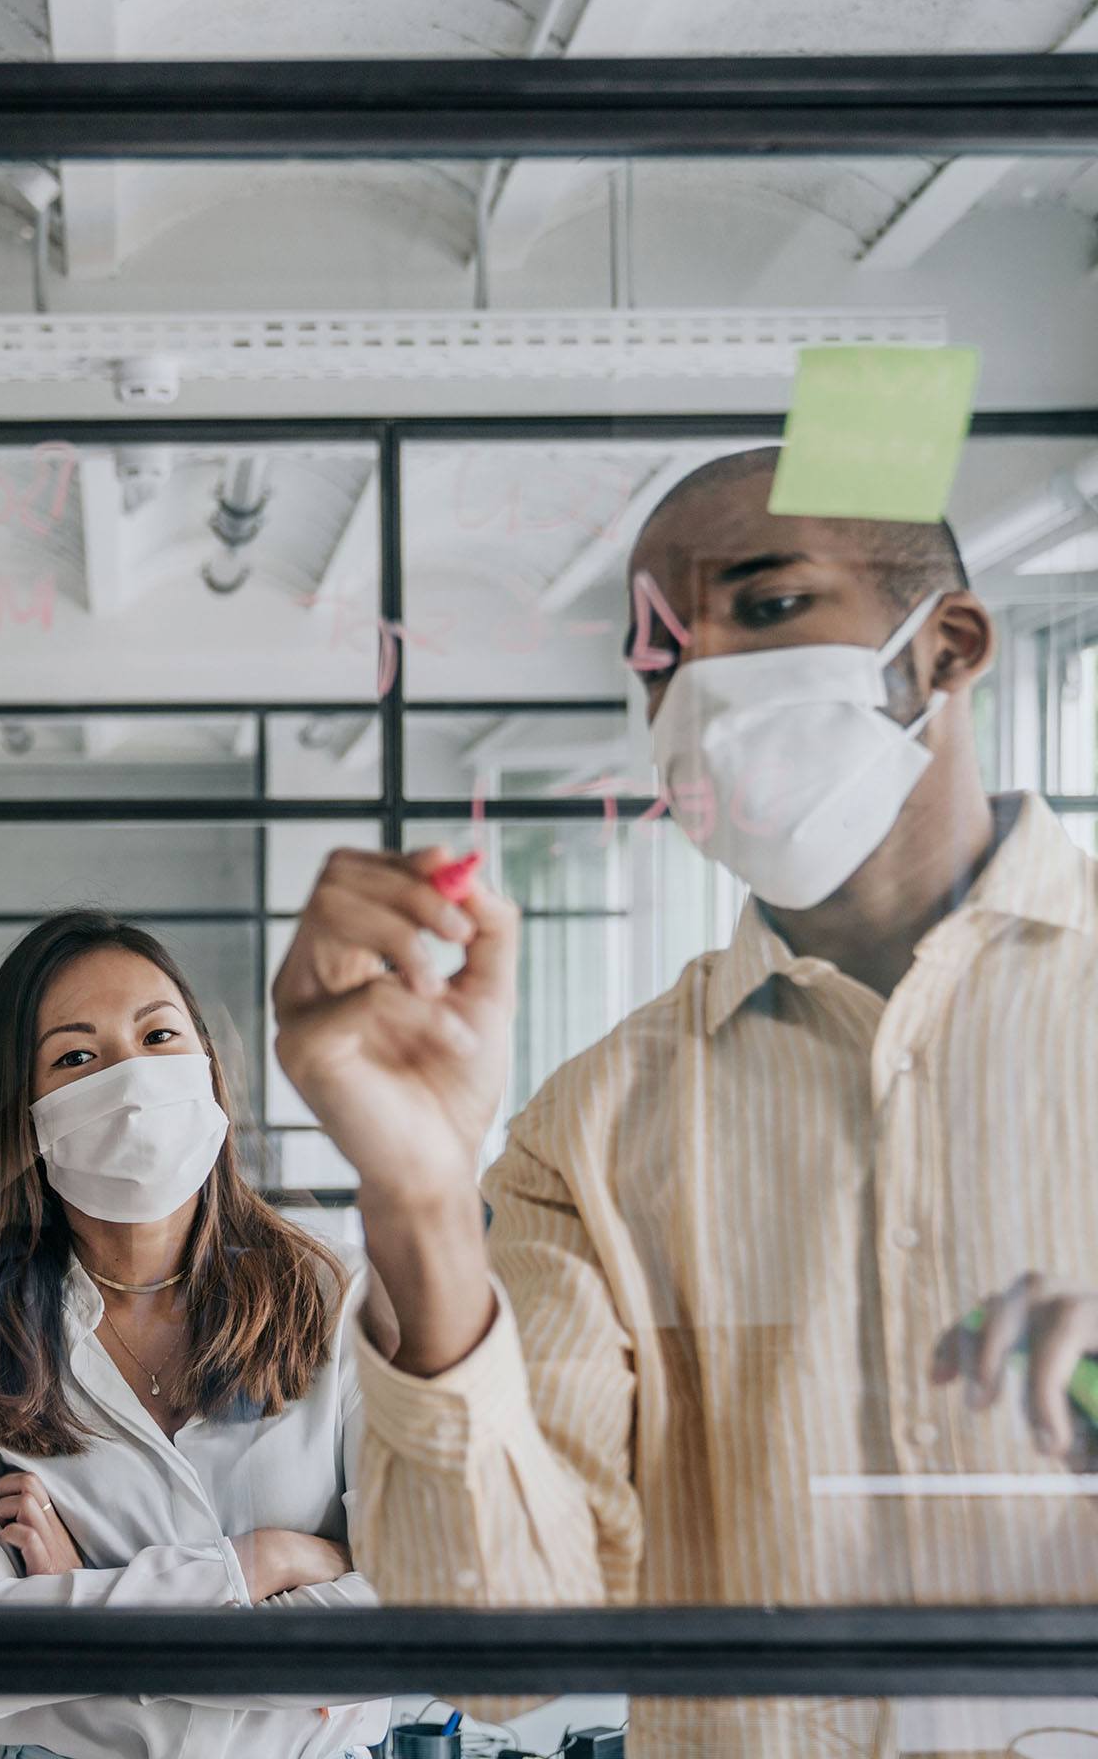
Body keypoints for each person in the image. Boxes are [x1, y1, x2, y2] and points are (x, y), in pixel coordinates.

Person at [272, 448, 1098, 1756]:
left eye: (766, 608)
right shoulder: (592, 1131)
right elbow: (493, 1657)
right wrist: (420, 1201)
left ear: (947, 647)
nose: (699, 679)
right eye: (659, 650)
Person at [0, 910, 391, 1759]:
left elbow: (406, 1615)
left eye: (159, 1036)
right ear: (26, 1112)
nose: (134, 1080)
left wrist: (83, 1603)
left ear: (209, 1069)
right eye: (77, 1057)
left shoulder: (339, 1295)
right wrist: (257, 1564)